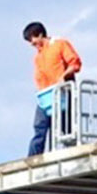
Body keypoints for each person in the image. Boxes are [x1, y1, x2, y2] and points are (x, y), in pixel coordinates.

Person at [24, 21, 81, 157]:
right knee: (39, 128)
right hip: (45, 96)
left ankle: (72, 154)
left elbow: (75, 63)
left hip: (63, 92)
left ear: (40, 34)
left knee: (65, 128)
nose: (31, 43)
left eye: (32, 39)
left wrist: (64, 76)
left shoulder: (60, 44)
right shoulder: (38, 57)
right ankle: (32, 159)